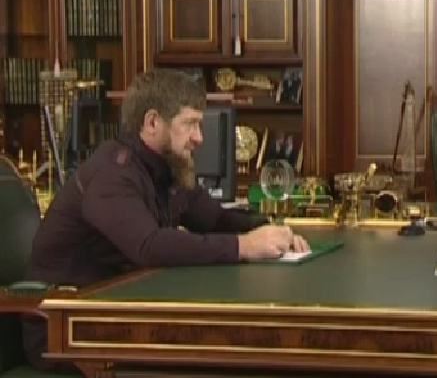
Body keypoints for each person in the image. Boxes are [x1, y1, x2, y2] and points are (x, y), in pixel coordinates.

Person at [22, 69, 310, 373]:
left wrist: (271, 230)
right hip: (67, 332)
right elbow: (149, 245)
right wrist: (245, 246)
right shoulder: (112, 173)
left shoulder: (169, 167)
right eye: (190, 124)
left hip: (123, 315)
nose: (199, 138)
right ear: (152, 123)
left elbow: (215, 218)